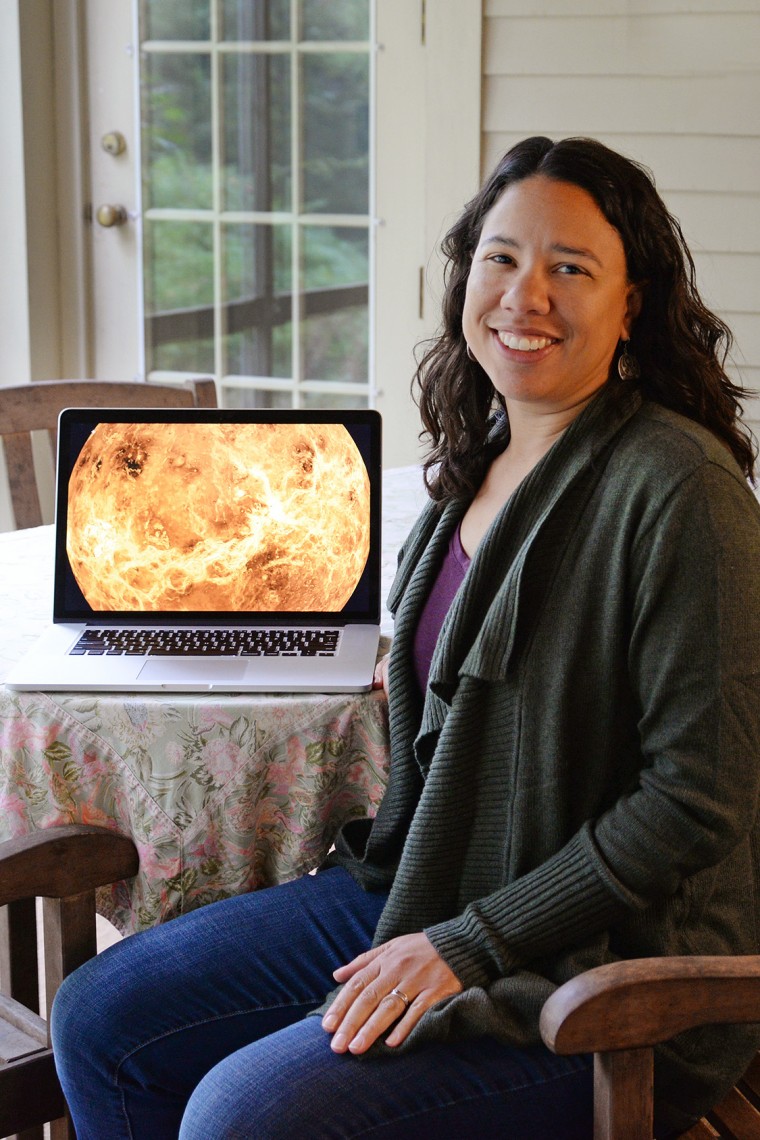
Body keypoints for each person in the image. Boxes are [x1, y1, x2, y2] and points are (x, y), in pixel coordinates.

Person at [51, 136, 760, 1138]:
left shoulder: (680, 489)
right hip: (430, 882)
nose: (525, 296)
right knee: (100, 1016)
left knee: (239, 1116)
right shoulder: (471, 472)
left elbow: (692, 801)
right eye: (501, 258)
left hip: (600, 966)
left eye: (570, 267)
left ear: (631, 302)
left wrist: (467, 946)